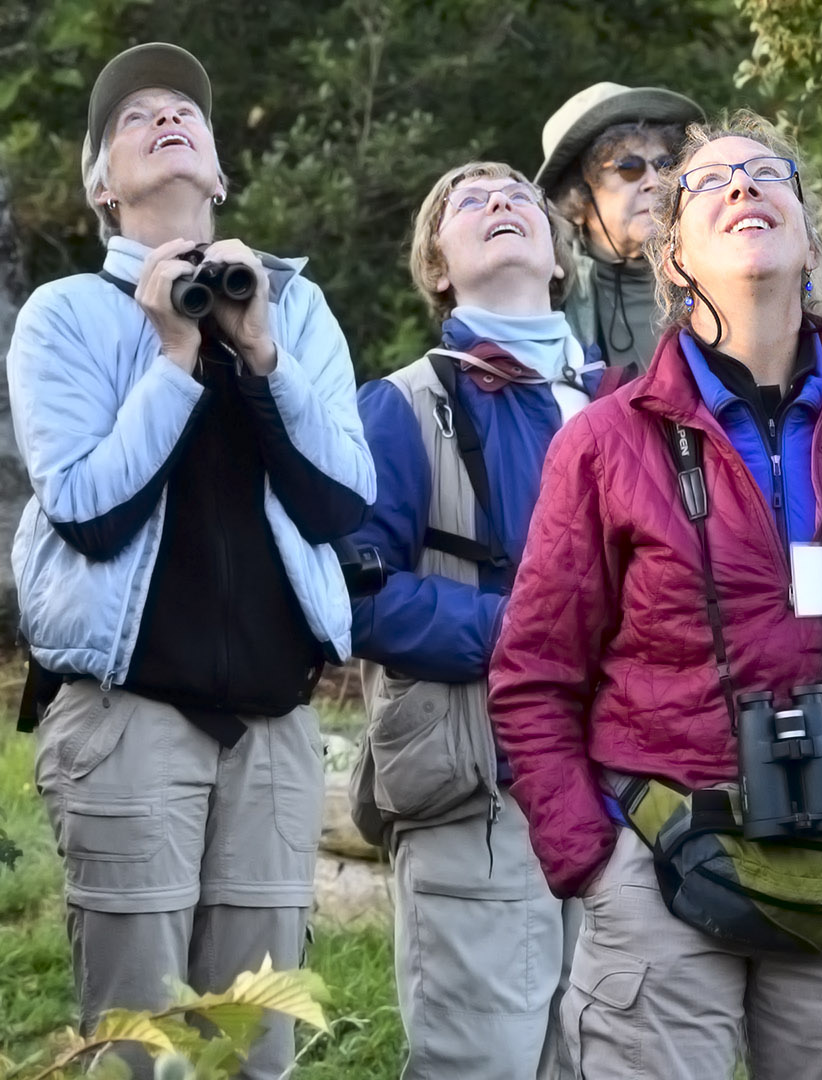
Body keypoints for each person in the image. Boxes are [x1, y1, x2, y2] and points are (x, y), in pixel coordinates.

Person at [488, 111, 822, 1080]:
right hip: (660, 866)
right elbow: (534, 674)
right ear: (673, 259)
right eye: (710, 183)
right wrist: (593, 862)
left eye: (769, 175)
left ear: (811, 239)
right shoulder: (603, 443)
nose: (745, 188)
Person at [8, 42, 375, 1078]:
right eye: (134, 117)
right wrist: (172, 353)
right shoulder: (66, 315)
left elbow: (344, 499)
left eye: (185, 112)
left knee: (257, 1046)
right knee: (140, 1049)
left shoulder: (295, 309)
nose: (166, 117)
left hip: (273, 728)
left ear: (218, 174)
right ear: (101, 189)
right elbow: (88, 511)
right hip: (128, 721)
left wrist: (261, 355)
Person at [345, 160, 588, 1079]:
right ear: (437, 268)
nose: (499, 202)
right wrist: (521, 629)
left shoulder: (627, 406)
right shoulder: (401, 405)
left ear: (559, 259)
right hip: (478, 800)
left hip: (625, 800)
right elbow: (354, 594)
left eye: (520, 194)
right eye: (467, 201)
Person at [536, 81, 702, 371]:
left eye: (665, 164)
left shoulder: (713, 269)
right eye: (628, 167)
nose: (655, 182)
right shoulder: (549, 295)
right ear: (579, 194)